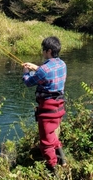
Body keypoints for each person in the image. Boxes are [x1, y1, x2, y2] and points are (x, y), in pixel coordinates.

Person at [22, 36, 67, 173]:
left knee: (46, 143)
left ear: (48, 51)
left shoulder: (43, 70)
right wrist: (35, 67)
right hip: (59, 108)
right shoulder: (62, 64)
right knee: (52, 134)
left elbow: (28, 82)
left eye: (43, 50)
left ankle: (53, 170)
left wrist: (26, 72)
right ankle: (63, 161)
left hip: (47, 111)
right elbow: (48, 73)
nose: (42, 52)